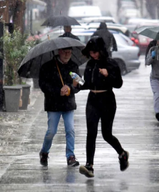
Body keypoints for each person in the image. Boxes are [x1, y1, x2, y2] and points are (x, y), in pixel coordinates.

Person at [78, 36, 129, 178]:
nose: (93, 55)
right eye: (91, 53)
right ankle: (89, 165)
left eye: (95, 52)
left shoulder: (111, 64)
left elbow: (118, 83)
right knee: (91, 133)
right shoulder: (90, 64)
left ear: (101, 51)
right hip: (92, 101)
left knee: (106, 134)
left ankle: (122, 154)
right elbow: (87, 83)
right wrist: (77, 85)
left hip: (107, 100)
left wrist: (108, 75)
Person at [38, 47, 81, 168]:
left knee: (70, 129)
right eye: (65, 52)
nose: (68, 55)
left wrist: (70, 89)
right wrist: (58, 91)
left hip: (68, 104)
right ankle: (44, 152)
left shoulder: (74, 66)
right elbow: (43, 85)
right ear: (59, 52)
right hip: (53, 104)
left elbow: (80, 83)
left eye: (70, 52)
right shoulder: (48, 67)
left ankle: (70, 156)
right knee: (51, 131)